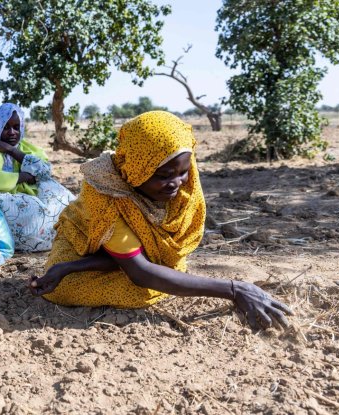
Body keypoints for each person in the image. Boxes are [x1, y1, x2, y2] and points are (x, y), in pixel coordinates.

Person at [30, 111, 292, 330]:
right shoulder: (107, 193)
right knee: (73, 289)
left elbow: (149, 258)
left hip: (130, 256)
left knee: (159, 274)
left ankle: (160, 271)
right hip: (84, 246)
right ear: (137, 168)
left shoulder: (183, 181)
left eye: (182, 171)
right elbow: (141, 273)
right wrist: (234, 289)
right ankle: (158, 273)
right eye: (164, 175)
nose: (176, 183)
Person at [0, 103, 75, 252]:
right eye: (6, 127)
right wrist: (22, 176)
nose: (12, 132)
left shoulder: (25, 148)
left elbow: (44, 171)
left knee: (62, 196)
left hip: (14, 195)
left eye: (16, 127)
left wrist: (10, 150)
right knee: (18, 206)